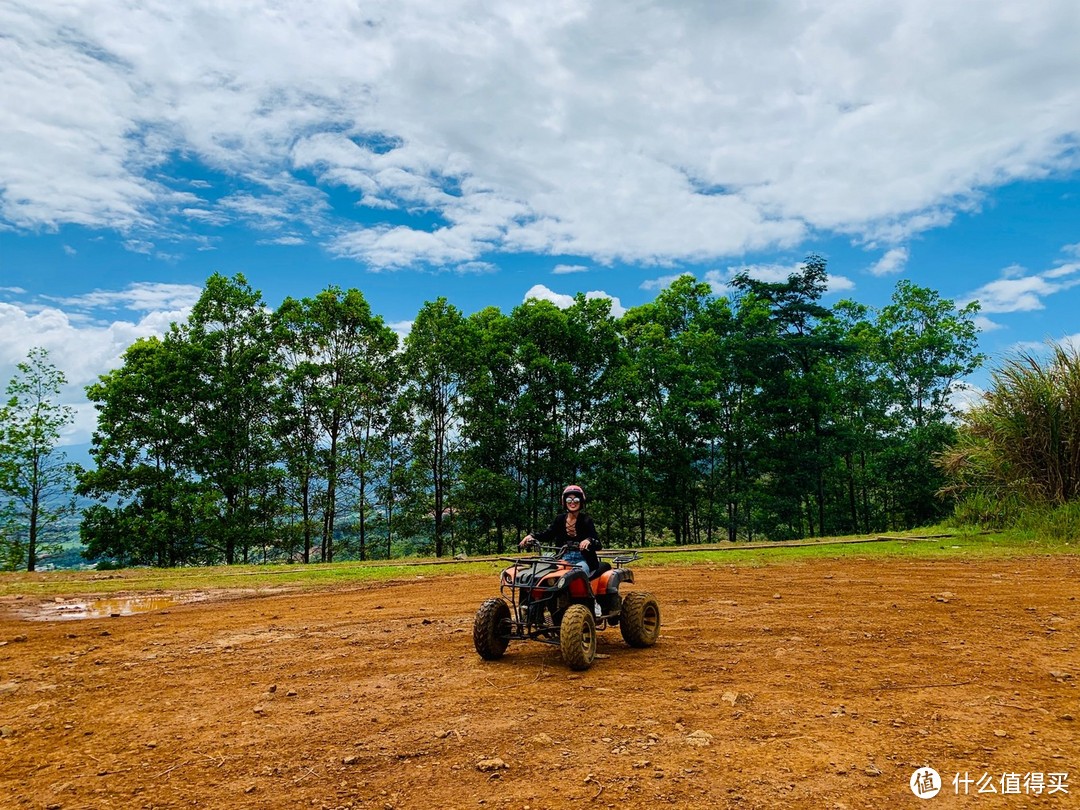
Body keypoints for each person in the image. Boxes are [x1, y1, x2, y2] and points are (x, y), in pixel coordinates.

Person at [520, 484, 602, 575]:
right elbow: (548, 534)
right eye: (569, 499)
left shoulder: (586, 520)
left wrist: (589, 540)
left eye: (576, 499)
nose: (572, 502)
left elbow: (598, 544)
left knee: (579, 573)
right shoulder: (559, 519)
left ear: (581, 501)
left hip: (583, 559)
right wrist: (532, 536)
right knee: (550, 573)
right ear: (564, 502)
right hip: (563, 557)